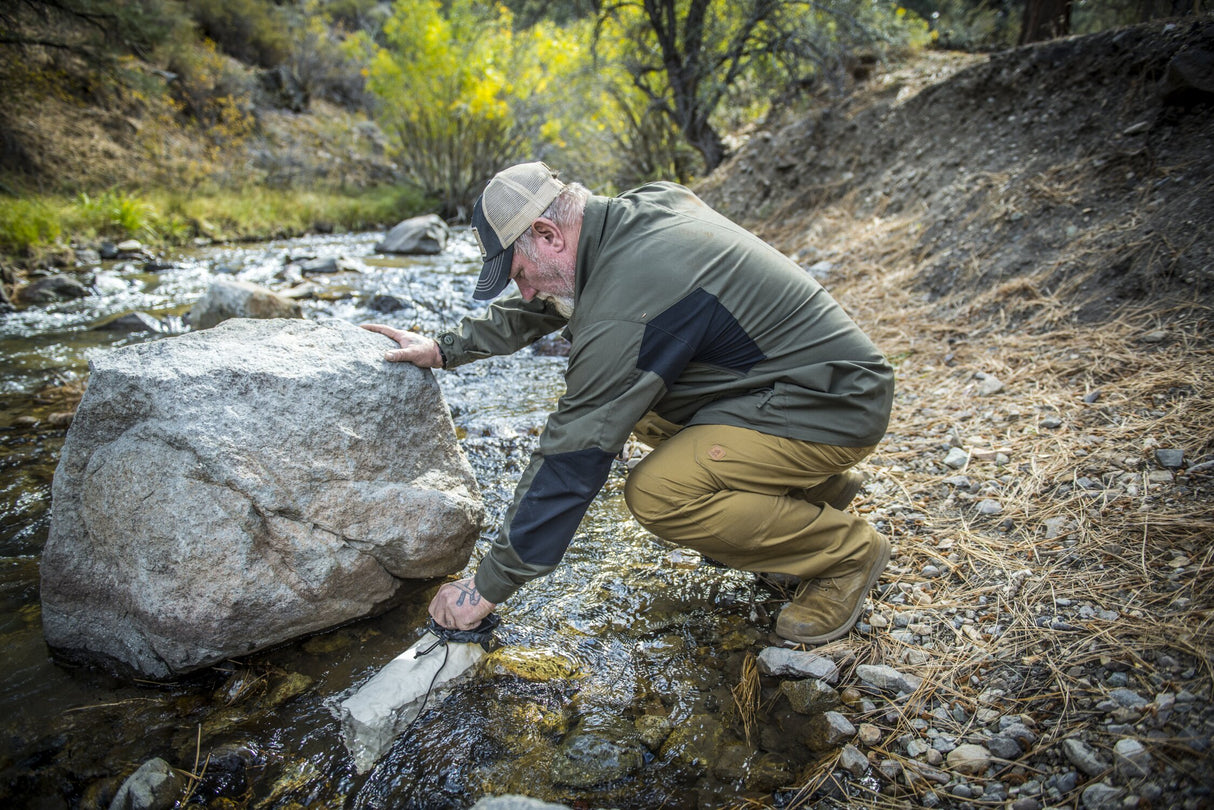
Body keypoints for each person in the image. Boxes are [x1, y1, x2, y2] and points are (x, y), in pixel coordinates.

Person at [362, 162, 894, 645]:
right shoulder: (635, 214)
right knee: (644, 408)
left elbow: (570, 456)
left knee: (659, 493)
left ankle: (845, 555)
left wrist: (486, 587)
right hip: (798, 383)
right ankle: (811, 489)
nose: (523, 292)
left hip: (833, 408)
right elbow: (556, 301)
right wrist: (445, 348)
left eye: (518, 273)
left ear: (547, 235)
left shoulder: (631, 304)